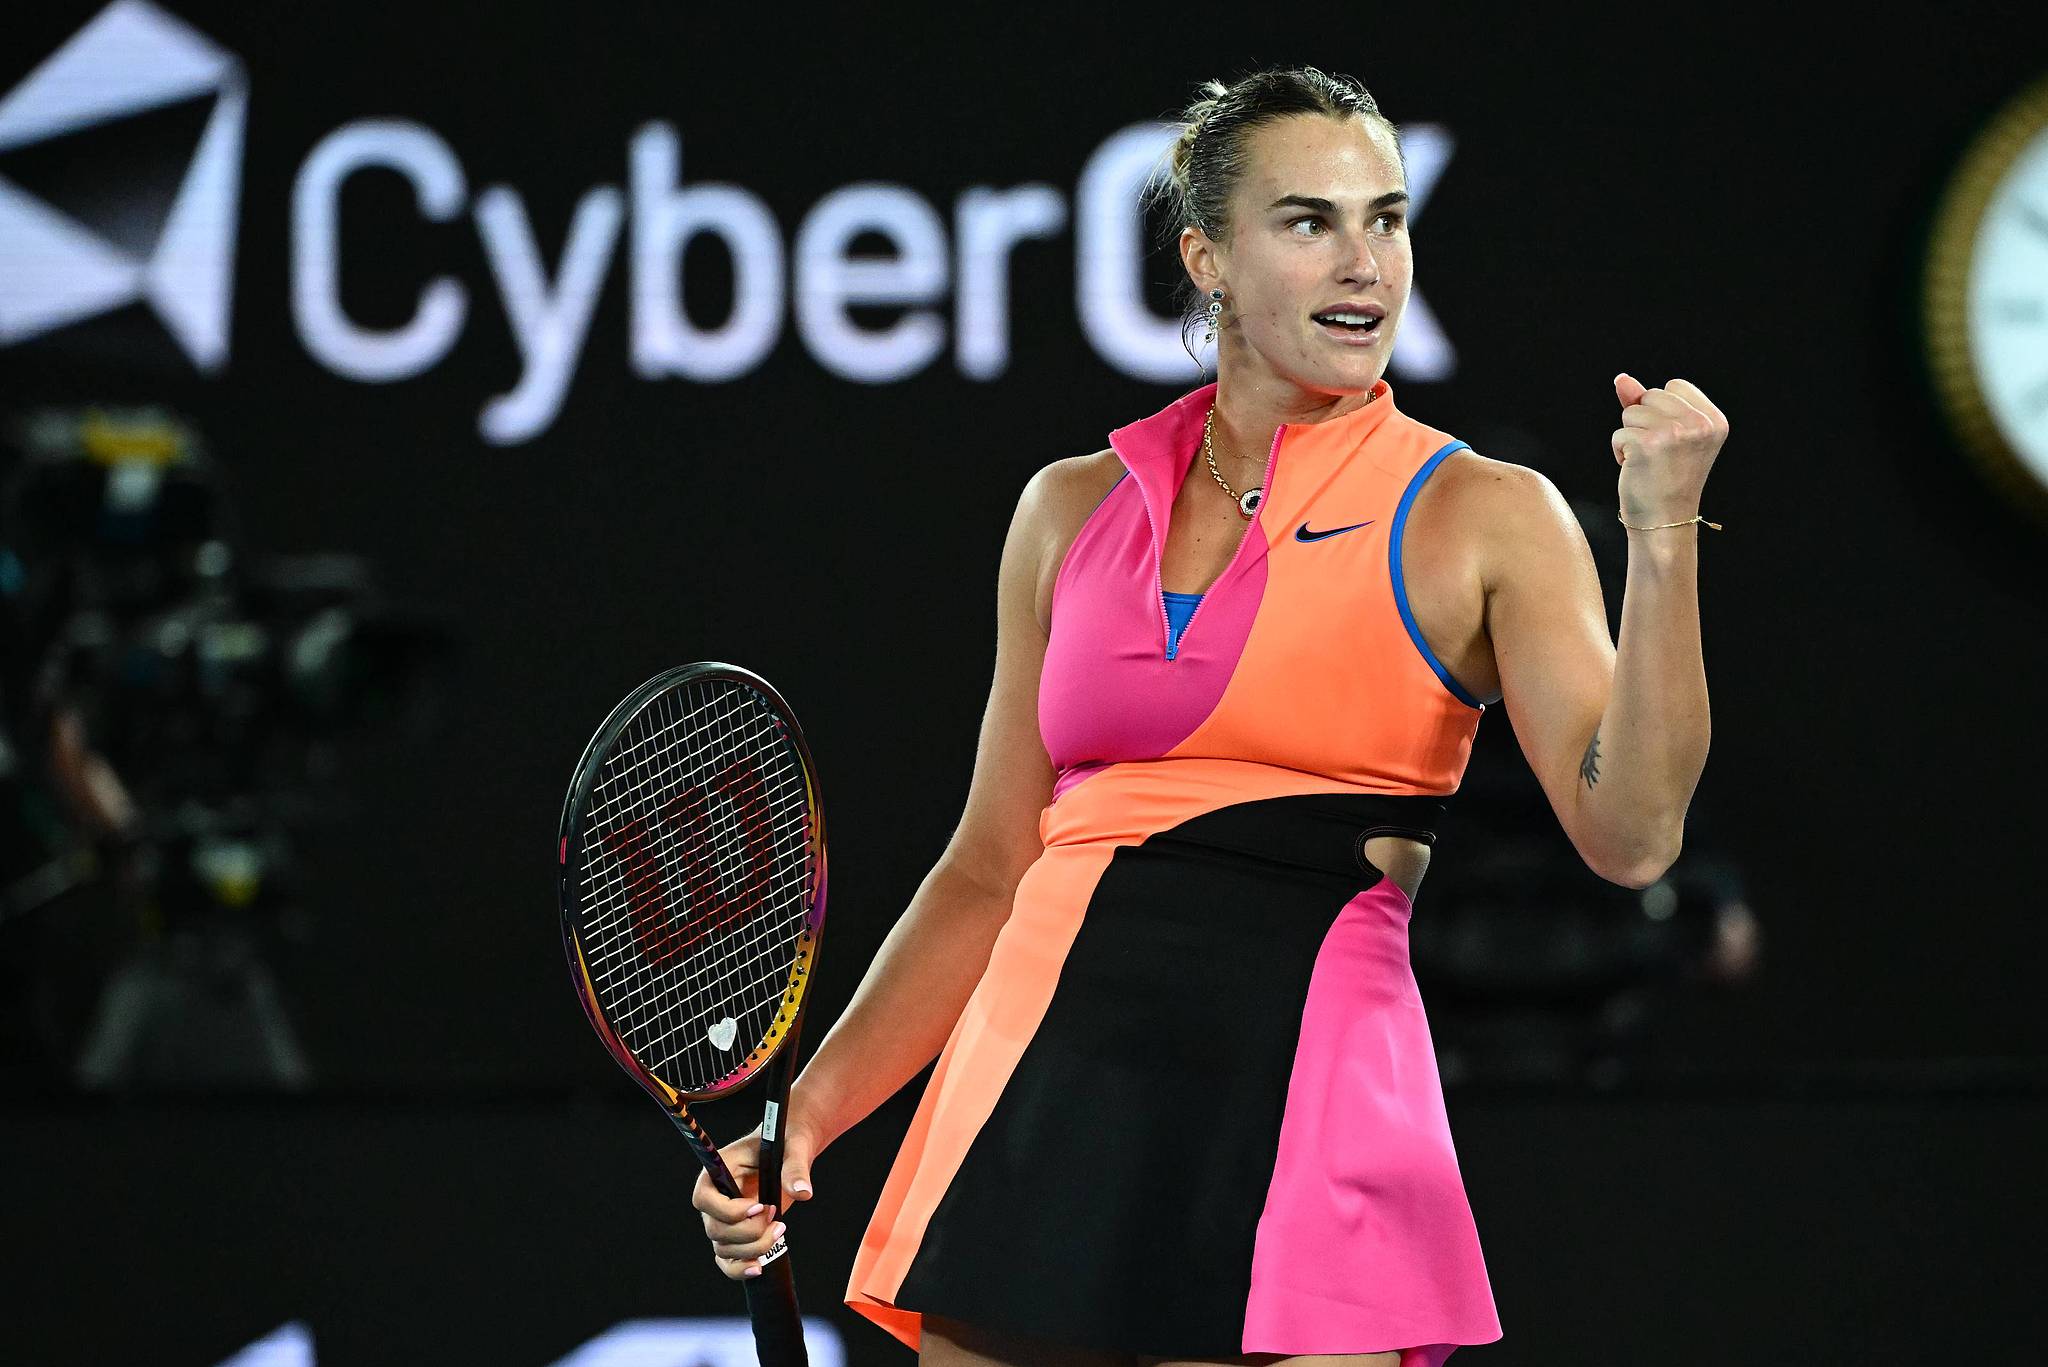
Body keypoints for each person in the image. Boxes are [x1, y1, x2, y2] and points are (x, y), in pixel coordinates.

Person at [691, 65, 1723, 1367]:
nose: (1367, 263)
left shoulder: (1484, 512)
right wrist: (808, 1121)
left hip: (1308, 1109)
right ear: (1208, 258)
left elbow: (1632, 836)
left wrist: (1663, 539)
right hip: (1039, 1095)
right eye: (1311, 222)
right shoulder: (1067, 511)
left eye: (1390, 219)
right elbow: (990, 868)